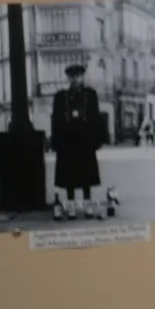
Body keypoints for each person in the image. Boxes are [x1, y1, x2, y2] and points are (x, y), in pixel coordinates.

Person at [50, 63, 104, 221]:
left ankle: (88, 206)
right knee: (69, 178)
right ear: (68, 78)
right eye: (72, 77)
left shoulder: (90, 95)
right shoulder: (61, 97)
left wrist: (97, 139)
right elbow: (56, 121)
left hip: (85, 141)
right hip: (67, 142)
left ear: (82, 77)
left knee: (87, 177)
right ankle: (71, 208)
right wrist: (55, 141)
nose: (75, 79)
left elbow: (96, 118)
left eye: (78, 76)